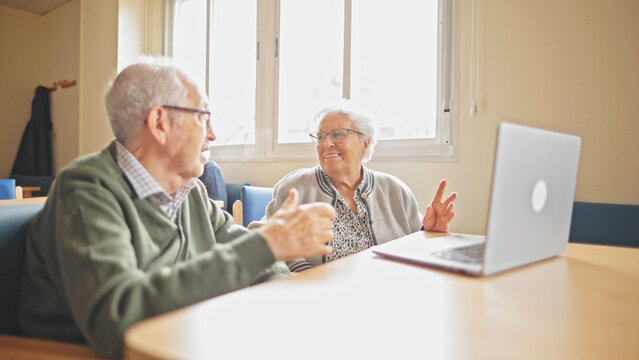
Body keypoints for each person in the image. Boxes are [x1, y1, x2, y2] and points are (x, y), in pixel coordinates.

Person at [18, 59, 335, 358]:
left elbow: (253, 256)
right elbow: (116, 321)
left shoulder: (190, 190)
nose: (213, 134)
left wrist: (289, 306)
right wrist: (268, 244)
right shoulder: (86, 189)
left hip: (183, 340)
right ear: (159, 123)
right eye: (203, 117)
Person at [260, 105, 456, 272]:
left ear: (366, 142)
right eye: (320, 137)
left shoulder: (395, 190)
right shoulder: (296, 187)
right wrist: (305, 275)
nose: (327, 143)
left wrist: (430, 233)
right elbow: (262, 241)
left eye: (338, 134)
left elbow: (416, 247)